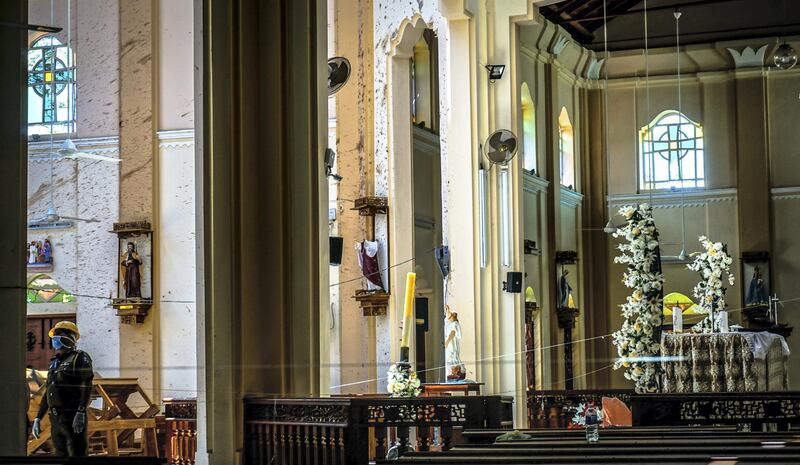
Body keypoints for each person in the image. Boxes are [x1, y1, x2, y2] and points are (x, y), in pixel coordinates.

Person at [31, 321, 94, 457]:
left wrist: (81, 412)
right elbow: (49, 391)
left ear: (71, 337)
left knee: (77, 453)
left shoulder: (79, 358)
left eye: (60, 334)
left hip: (72, 415)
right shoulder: (55, 362)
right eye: (55, 335)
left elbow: (86, 385)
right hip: (55, 417)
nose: (56, 338)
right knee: (60, 453)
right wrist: (38, 418)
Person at [444, 305, 466, 381]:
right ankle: (452, 372)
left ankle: (453, 372)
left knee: (452, 357)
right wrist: (448, 309)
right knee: (451, 357)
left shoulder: (454, 324)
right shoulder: (453, 324)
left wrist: (447, 342)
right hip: (451, 344)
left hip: (451, 344)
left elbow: (453, 333)